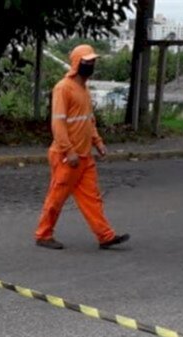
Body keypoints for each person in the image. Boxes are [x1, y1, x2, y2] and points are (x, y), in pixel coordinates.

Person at [34, 44, 129, 251]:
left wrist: (98, 143)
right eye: (88, 62)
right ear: (77, 63)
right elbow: (57, 124)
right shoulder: (63, 88)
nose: (92, 65)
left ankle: (105, 236)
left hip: (84, 156)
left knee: (92, 198)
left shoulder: (83, 89)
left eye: (93, 62)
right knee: (56, 198)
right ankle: (43, 234)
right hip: (67, 156)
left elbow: (88, 121)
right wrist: (69, 150)